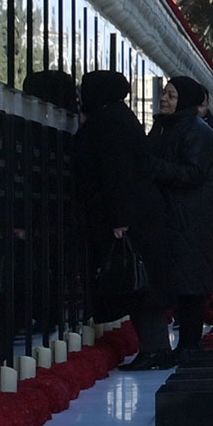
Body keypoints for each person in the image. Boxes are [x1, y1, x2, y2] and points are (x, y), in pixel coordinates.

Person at [73, 69, 171, 369]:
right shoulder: (120, 117)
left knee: (139, 285)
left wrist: (119, 219)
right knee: (143, 284)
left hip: (130, 219)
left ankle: (154, 350)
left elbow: (116, 174)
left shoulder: (108, 122)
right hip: (141, 214)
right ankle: (155, 349)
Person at [151, 76, 213, 360]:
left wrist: (154, 167)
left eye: (171, 95)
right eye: (165, 94)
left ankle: (188, 346)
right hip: (173, 217)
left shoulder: (199, 132)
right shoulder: (165, 127)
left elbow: (193, 174)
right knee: (180, 283)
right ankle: (181, 347)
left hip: (192, 221)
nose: (164, 99)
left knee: (191, 285)